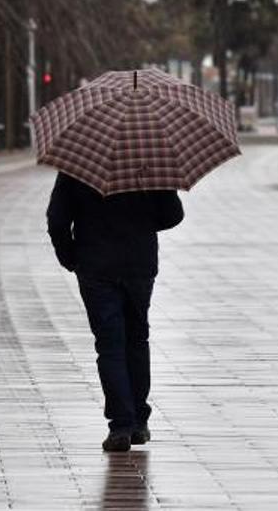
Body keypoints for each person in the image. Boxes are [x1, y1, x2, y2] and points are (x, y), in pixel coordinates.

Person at [46, 171, 184, 452]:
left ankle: (121, 425)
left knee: (109, 345)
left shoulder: (78, 164)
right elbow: (172, 215)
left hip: (95, 264)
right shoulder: (150, 161)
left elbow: (57, 219)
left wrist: (70, 257)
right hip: (139, 263)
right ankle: (138, 422)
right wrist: (141, 223)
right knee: (137, 339)